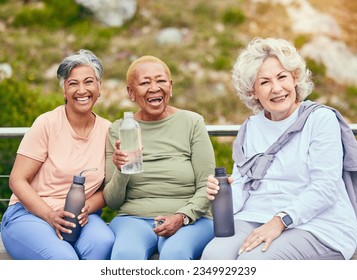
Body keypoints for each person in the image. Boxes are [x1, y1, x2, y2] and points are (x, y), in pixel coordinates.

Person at [201, 37, 357, 260]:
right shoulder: (251, 128)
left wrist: (280, 221)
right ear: (252, 91)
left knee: (253, 261)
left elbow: (326, 187)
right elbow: (242, 187)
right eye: (264, 82)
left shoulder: (320, 119)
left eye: (282, 77)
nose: (276, 88)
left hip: (319, 224)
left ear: (294, 78)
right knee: (213, 257)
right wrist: (221, 192)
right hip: (256, 215)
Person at [1, 49, 115, 260]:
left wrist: (87, 208)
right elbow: (17, 180)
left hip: (80, 217)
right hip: (29, 215)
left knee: (103, 243)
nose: (82, 90)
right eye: (73, 83)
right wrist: (49, 215)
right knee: (64, 260)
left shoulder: (109, 131)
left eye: (89, 82)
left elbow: (108, 189)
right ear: (63, 91)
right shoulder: (47, 123)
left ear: (99, 88)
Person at [103, 55, 215, 260]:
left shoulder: (192, 123)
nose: (154, 88)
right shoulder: (118, 129)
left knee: (176, 254)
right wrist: (122, 169)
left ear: (170, 87)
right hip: (133, 219)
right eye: (145, 83)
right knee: (125, 255)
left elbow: (207, 187)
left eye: (161, 81)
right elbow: (112, 201)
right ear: (131, 92)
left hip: (191, 219)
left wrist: (181, 217)